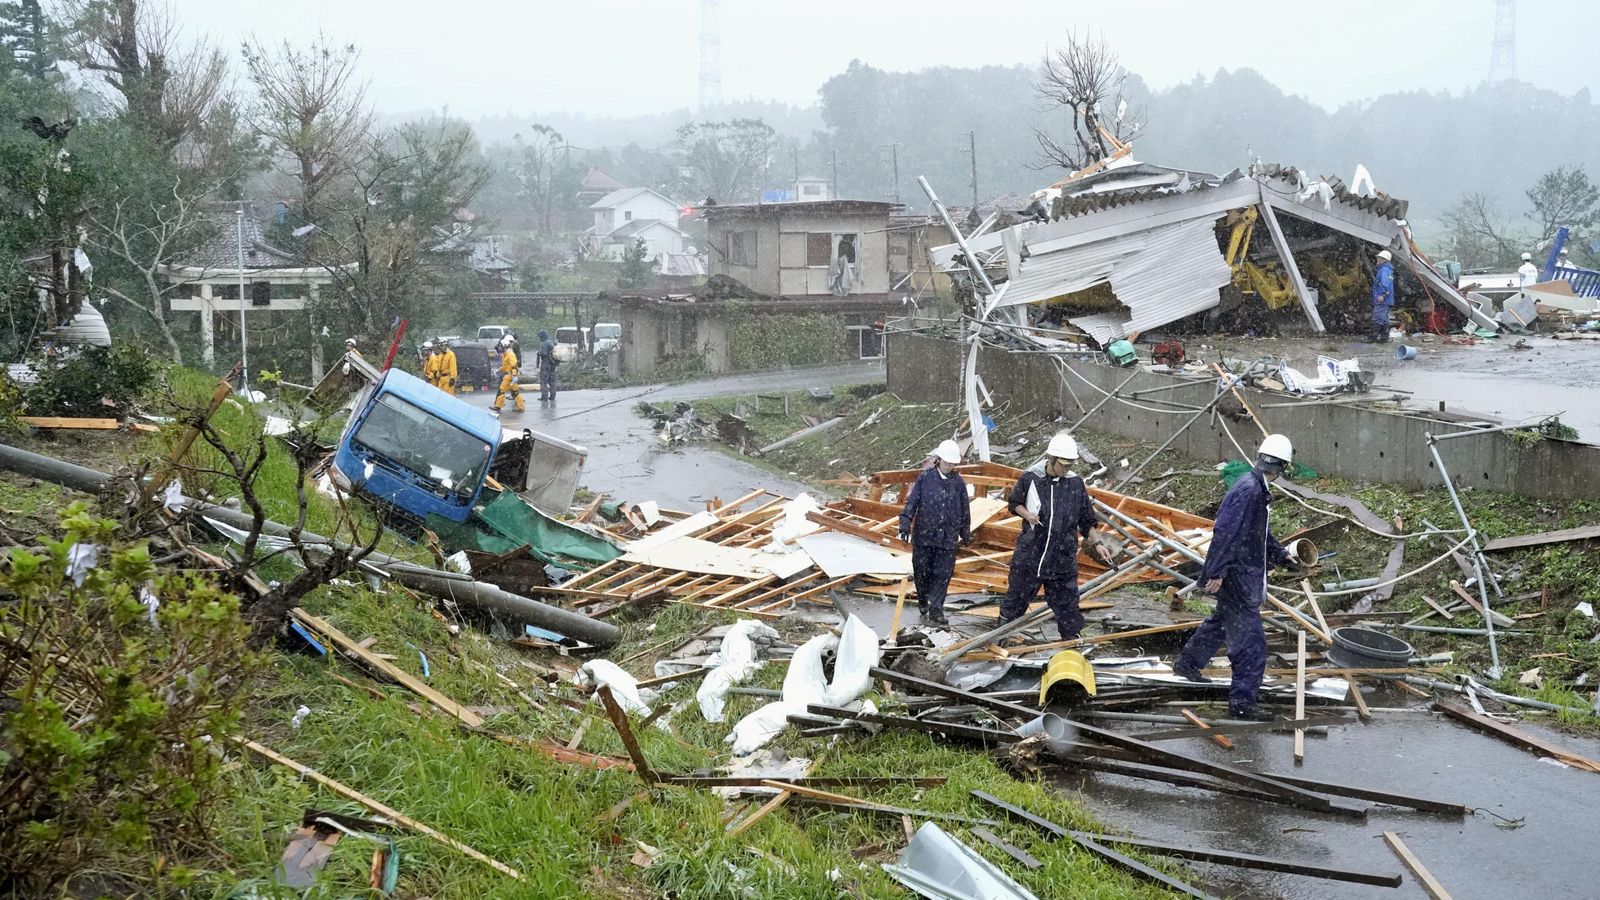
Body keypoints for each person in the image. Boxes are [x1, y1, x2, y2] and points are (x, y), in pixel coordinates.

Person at [1171, 433, 1300, 721]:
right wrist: (1215, 572)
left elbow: (1257, 533)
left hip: (1240, 574)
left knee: (1219, 623)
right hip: (1239, 578)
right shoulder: (1251, 491)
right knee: (1251, 645)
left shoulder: (1255, 488)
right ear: (1281, 467)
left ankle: (1187, 664)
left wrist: (1280, 554)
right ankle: (1243, 703)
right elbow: (1225, 533)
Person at [999, 433, 1111, 642]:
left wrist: (1098, 543)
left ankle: (1071, 645)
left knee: (1068, 608)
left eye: (1070, 464)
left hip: (1062, 559)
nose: (1066, 468)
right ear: (1050, 459)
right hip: (1031, 554)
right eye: (1063, 464)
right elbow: (1014, 503)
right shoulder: (1032, 478)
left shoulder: (1075, 484)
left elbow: (1086, 521)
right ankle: (1000, 638)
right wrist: (1027, 515)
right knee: (1015, 600)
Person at [897, 440, 971, 626]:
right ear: (938, 460)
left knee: (943, 574)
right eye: (948, 463)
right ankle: (923, 598)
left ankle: (936, 609)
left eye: (953, 464)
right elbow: (912, 502)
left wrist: (965, 531)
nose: (950, 467)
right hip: (924, 535)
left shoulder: (958, 482)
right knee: (922, 572)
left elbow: (964, 509)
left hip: (948, 537)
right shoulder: (925, 478)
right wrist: (905, 524)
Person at [491, 335, 524, 413]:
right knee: (515, 392)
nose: (500, 348)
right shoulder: (506, 354)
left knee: (501, 391)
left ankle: (498, 406)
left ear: (504, 346)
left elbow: (514, 365)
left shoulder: (510, 354)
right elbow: (505, 366)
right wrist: (499, 371)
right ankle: (521, 407)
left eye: (501, 346)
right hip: (510, 375)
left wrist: (514, 375)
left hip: (509, 376)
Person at [1369, 249, 1395, 343]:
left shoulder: (1384, 270)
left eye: (1379, 258)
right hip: (1387, 299)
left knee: (1378, 318)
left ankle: (1373, 338)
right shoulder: (1388, 270)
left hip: (1382, 299)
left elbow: (1384, 284)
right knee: (1384, 319)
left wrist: (1382, 295)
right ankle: (1384, 338)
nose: (1377, 260)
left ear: (1385, 260)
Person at [535, 329, 558, 403]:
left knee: (543, 381)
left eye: (539, 337)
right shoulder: (550, 342)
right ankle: (552, 396)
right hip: (552, 364)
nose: (539, 339)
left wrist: (539, 353)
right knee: (551, 381)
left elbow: (544, 354)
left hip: (545, 363)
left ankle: (544, 397)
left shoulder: (544, 343)